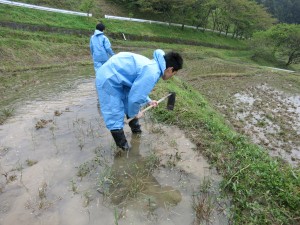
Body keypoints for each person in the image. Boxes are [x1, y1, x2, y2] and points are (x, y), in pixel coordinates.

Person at [95, 49, 183, 151]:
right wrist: (135, 113)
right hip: (108, 78)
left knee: (130, 105)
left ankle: (136, 133)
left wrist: (148, 101)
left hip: (119, 76)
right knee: (114, 112)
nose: (172, 76)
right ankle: (124, 150)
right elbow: (135, 99)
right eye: (174, 73)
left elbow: (137, 89)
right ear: (170, 69)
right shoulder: (152, 72)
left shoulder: (155, 66)